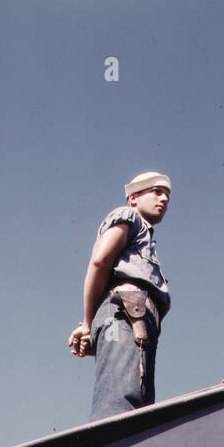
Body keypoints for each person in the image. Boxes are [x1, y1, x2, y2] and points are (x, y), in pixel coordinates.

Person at [69, 172, 171, 421]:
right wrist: (88, 323)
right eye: (157, 191)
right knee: (121, 403)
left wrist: (91, 327)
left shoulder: (144, 236)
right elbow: (100, 261)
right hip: (127, 310)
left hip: (138, 322)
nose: (164, 199)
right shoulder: (129, 217)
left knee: (140, 410)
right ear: (133, 197)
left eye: (167, 194)